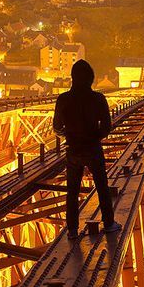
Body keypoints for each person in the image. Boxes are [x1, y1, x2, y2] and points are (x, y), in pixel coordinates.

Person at [53, 59, 121, 239]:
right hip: (92, 148)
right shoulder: (98, 99)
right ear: (91, 78)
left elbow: (56, 127)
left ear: (72, 78)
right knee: (102, 186)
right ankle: (109, 223)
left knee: (72, 191)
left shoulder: (63, 99)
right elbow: (107, 127)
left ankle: (73, 230)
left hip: (73, 149)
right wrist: (93, 137)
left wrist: (68, 136)